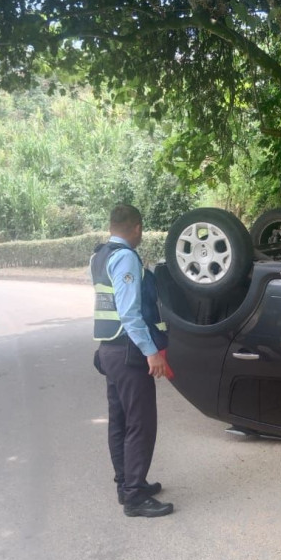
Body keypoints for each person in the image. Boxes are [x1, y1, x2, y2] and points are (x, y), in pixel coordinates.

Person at [91, 203, 173, 518]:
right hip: (128, 351)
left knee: (120, 420)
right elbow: (129, 313)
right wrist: (151, 351)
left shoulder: (98, 256)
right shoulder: (125, 257)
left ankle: (127, 485)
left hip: (108, 350)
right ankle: (135, 496)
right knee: (141, 422)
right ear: (137, 228)